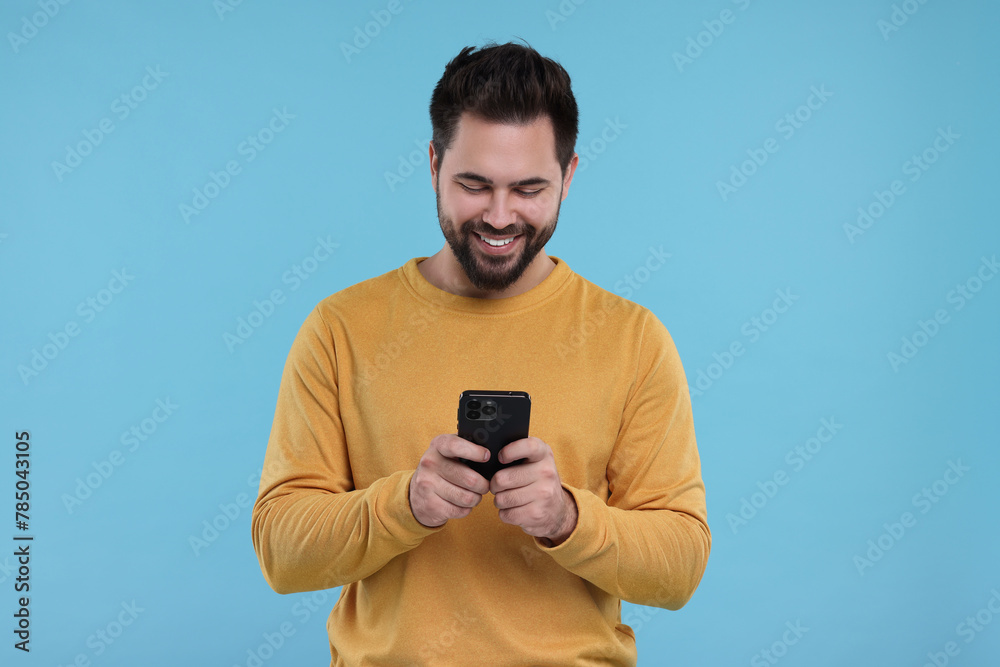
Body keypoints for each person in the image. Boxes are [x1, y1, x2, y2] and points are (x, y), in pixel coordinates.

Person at [251, 40, 711, 667]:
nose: (500, 216)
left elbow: (680, 568)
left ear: (569, 175)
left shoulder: (631, 339)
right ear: (434, 163)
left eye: (529, 188)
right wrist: (403, 504)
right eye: (474, 184)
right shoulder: (340, 329)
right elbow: (281, 552)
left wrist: (566, 518)